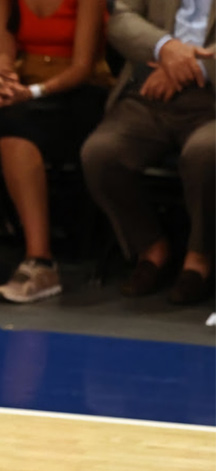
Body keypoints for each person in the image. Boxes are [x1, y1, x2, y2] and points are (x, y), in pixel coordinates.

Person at [0, 0, 113, 303]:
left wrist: (32, 92)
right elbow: (3, 45)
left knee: (15, 128)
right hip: (25, 88)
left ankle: (41, 262)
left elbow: (83, 66)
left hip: (78, 92)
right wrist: (2, 76)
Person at [81, 0, 214, 306]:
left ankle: (200, 259)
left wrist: (191, 67)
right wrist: (165, 48)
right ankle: (151, 247)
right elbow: (121, 19)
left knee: (205, 154)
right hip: (150, 91)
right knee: (101, 154)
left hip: (211, 96)